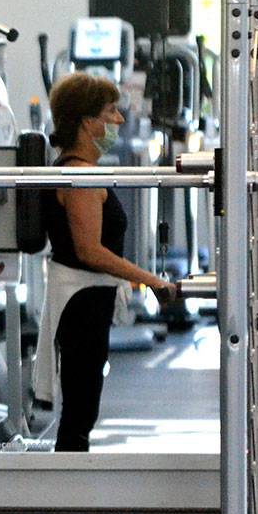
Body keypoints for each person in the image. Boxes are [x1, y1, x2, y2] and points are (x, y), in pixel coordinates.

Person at [30, 72, 177, 452]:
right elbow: (89, 251)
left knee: (82, 409)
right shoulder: (78, 176)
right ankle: (67, 497)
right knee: (79, 413)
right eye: (110, 112)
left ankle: (70, 492)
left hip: (87, 301)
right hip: (80, 303)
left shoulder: (81, 171)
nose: (119, 121)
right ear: (86, 121)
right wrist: (152, 281)